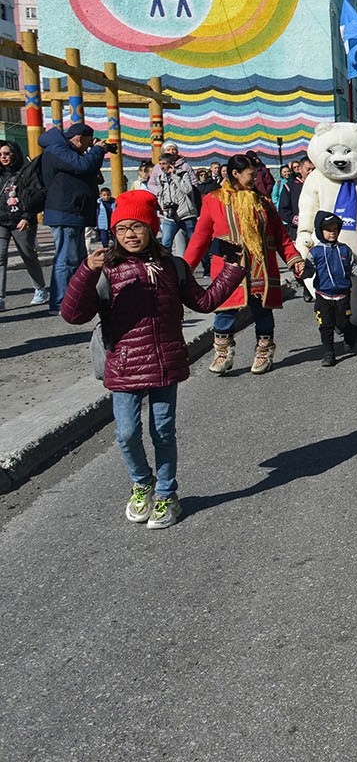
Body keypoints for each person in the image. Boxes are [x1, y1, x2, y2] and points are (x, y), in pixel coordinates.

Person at [59, 190, 245, 529]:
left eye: (137, 226)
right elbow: (73, 314)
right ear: (113, 233)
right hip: (124, 363)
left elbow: (203, 303)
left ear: (152, 227)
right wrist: (86, 270)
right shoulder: (106, 270)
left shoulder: (173, 267)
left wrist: (232, 270)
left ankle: (166, 494)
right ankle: (141, 484)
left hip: (165, 361)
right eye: (121, 229)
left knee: (163, 431)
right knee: (127, 433)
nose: (129, 234)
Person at [184, 153, 307, 375]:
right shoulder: (214, 200)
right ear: (236, 174)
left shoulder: (264, 202)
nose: (255, 178)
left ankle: (264, 351)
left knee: (262, 312)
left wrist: (294, 259)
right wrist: (183, 269)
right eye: (251, 174)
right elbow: (200, 238)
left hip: (261, 267)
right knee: (224, 313)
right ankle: (223, 352)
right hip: (228, 269)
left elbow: (280, 236)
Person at [39, 122, 110, 315]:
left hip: (74, 212)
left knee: (77, 259)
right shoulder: (57, 149)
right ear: (79, 138)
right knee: (66, 259)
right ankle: (60, 301)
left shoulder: (67, 151)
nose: (89, 146)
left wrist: (94, 152)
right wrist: (97, 151)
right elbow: (83, 166)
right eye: (88, 142)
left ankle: (73, 299)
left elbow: (86, 169)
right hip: (65, 212)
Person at [308, 211, 357, 366]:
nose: (332, 233)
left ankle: (349, 337)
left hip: (342, 295)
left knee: (344, 322)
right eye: (328, 229)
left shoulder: (345, 250)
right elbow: (308, 270)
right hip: (323, 295)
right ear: (320, 231)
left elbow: (353, 268)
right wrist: (302, 269)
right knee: (326, 326)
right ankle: (329, 353)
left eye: (335, 229)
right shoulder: (315, 252)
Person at [0, 140, 49, 309]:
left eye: (6, 153)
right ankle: (0, 297)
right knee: (0, 258)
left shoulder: (26, 172)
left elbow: (37, 195)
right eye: (0, 154)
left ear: (15, 153)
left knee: (28, 255)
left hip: (21, 220)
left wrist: (27, 217)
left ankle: (40, 288)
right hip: (1, 221)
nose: (3, 157)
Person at [147, 143, 200, 255]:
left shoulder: (185, 167)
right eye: (168, 149)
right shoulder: (159, 171)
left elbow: (192, 185)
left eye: (173, 149)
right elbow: (152, 184)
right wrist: (160, 195)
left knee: (194, 241)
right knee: (166, 242)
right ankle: (166, 267)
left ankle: (197, 264)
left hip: (185, 211)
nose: (171, 151)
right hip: (169, 213)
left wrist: (176, 177)